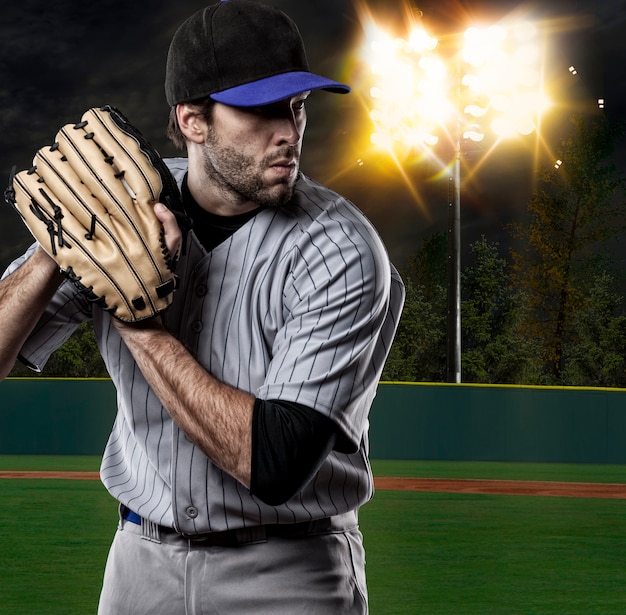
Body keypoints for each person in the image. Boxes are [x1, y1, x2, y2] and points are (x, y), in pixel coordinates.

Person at [0, 1, 404, 613]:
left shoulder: (341, 249)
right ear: (192, 120)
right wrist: (53, 253)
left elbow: (271, 463)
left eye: (297, 107)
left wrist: (139, 321)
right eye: (263, 109)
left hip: (288, 571)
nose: (289, 132)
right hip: (140, 563)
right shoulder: (119, 207)